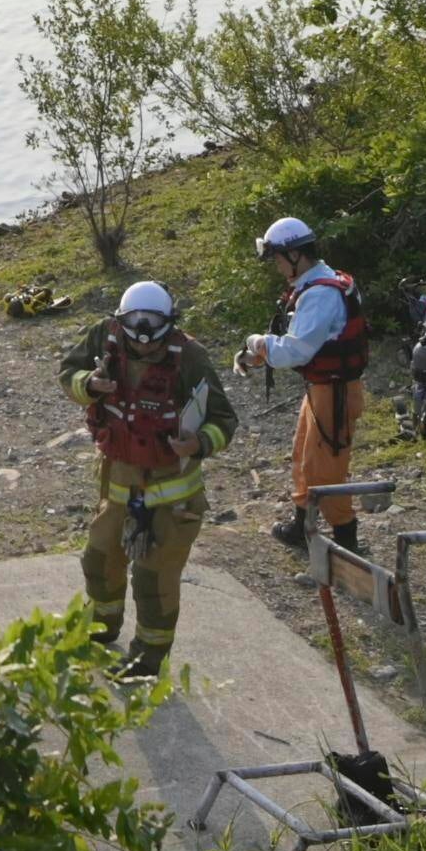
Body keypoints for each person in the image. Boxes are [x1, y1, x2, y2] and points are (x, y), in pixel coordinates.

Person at [59, 279, 237, 680]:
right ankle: (102, 627)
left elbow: (225, 419)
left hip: (173, 494)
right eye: (135, 342)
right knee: (99, 558)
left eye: (152, 344)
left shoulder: (190, 357)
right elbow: (67, 371)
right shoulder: (104, 337)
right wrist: (88, 385)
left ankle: (148, 659)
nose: (143, 348)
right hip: (119, 478)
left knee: (152, 578)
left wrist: (198, 444)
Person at [235, 217, 368, 555]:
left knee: (327, 470)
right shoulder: (318, 282)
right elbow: (305, 344)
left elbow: (296, 350)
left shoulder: (320, 294)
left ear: (295, 254)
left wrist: (258, 342)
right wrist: (258, 356)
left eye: (278, 257)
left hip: (335, 393)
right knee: (303, 458)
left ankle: (346, 541)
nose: (277, 266)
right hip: (322, 387)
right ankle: (301, 525)